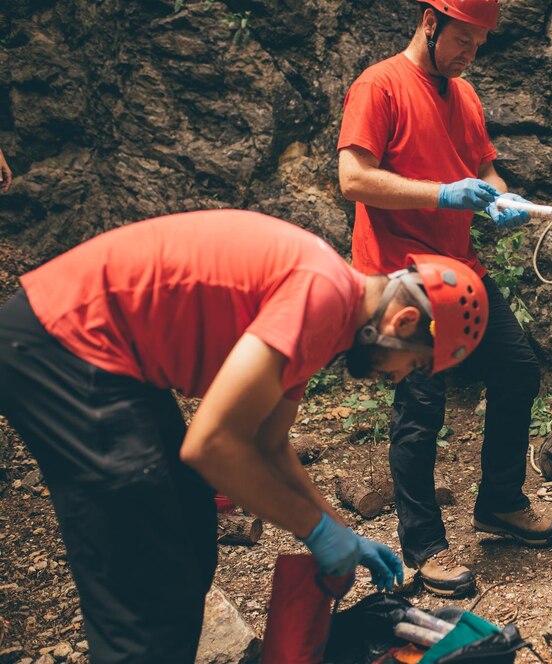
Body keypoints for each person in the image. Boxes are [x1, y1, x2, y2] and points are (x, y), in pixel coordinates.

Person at [0, 209, 490, 663]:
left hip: (105, 357)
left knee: (190, 529)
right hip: (63, 342)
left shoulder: (332, 312)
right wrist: (314, 530)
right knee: (147, 572)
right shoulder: (321, 294)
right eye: (418, 363)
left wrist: (338, 527)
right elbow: (210, 445)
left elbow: (265, 444)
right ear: (403, 322)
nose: (404, 377)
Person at [336, 0, 552, 598]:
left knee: (518, 369)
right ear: (430, 23)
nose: (470, 54)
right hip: (396, 274)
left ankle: (501, 502)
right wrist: (441, 195)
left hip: (461, 269)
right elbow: (353, 178)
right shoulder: (379, 84)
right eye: (464, 39)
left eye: (480, 44)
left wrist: (498, 200)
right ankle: (425, 548)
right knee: (421, 407)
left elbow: (484, 174)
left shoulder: (464, 96)